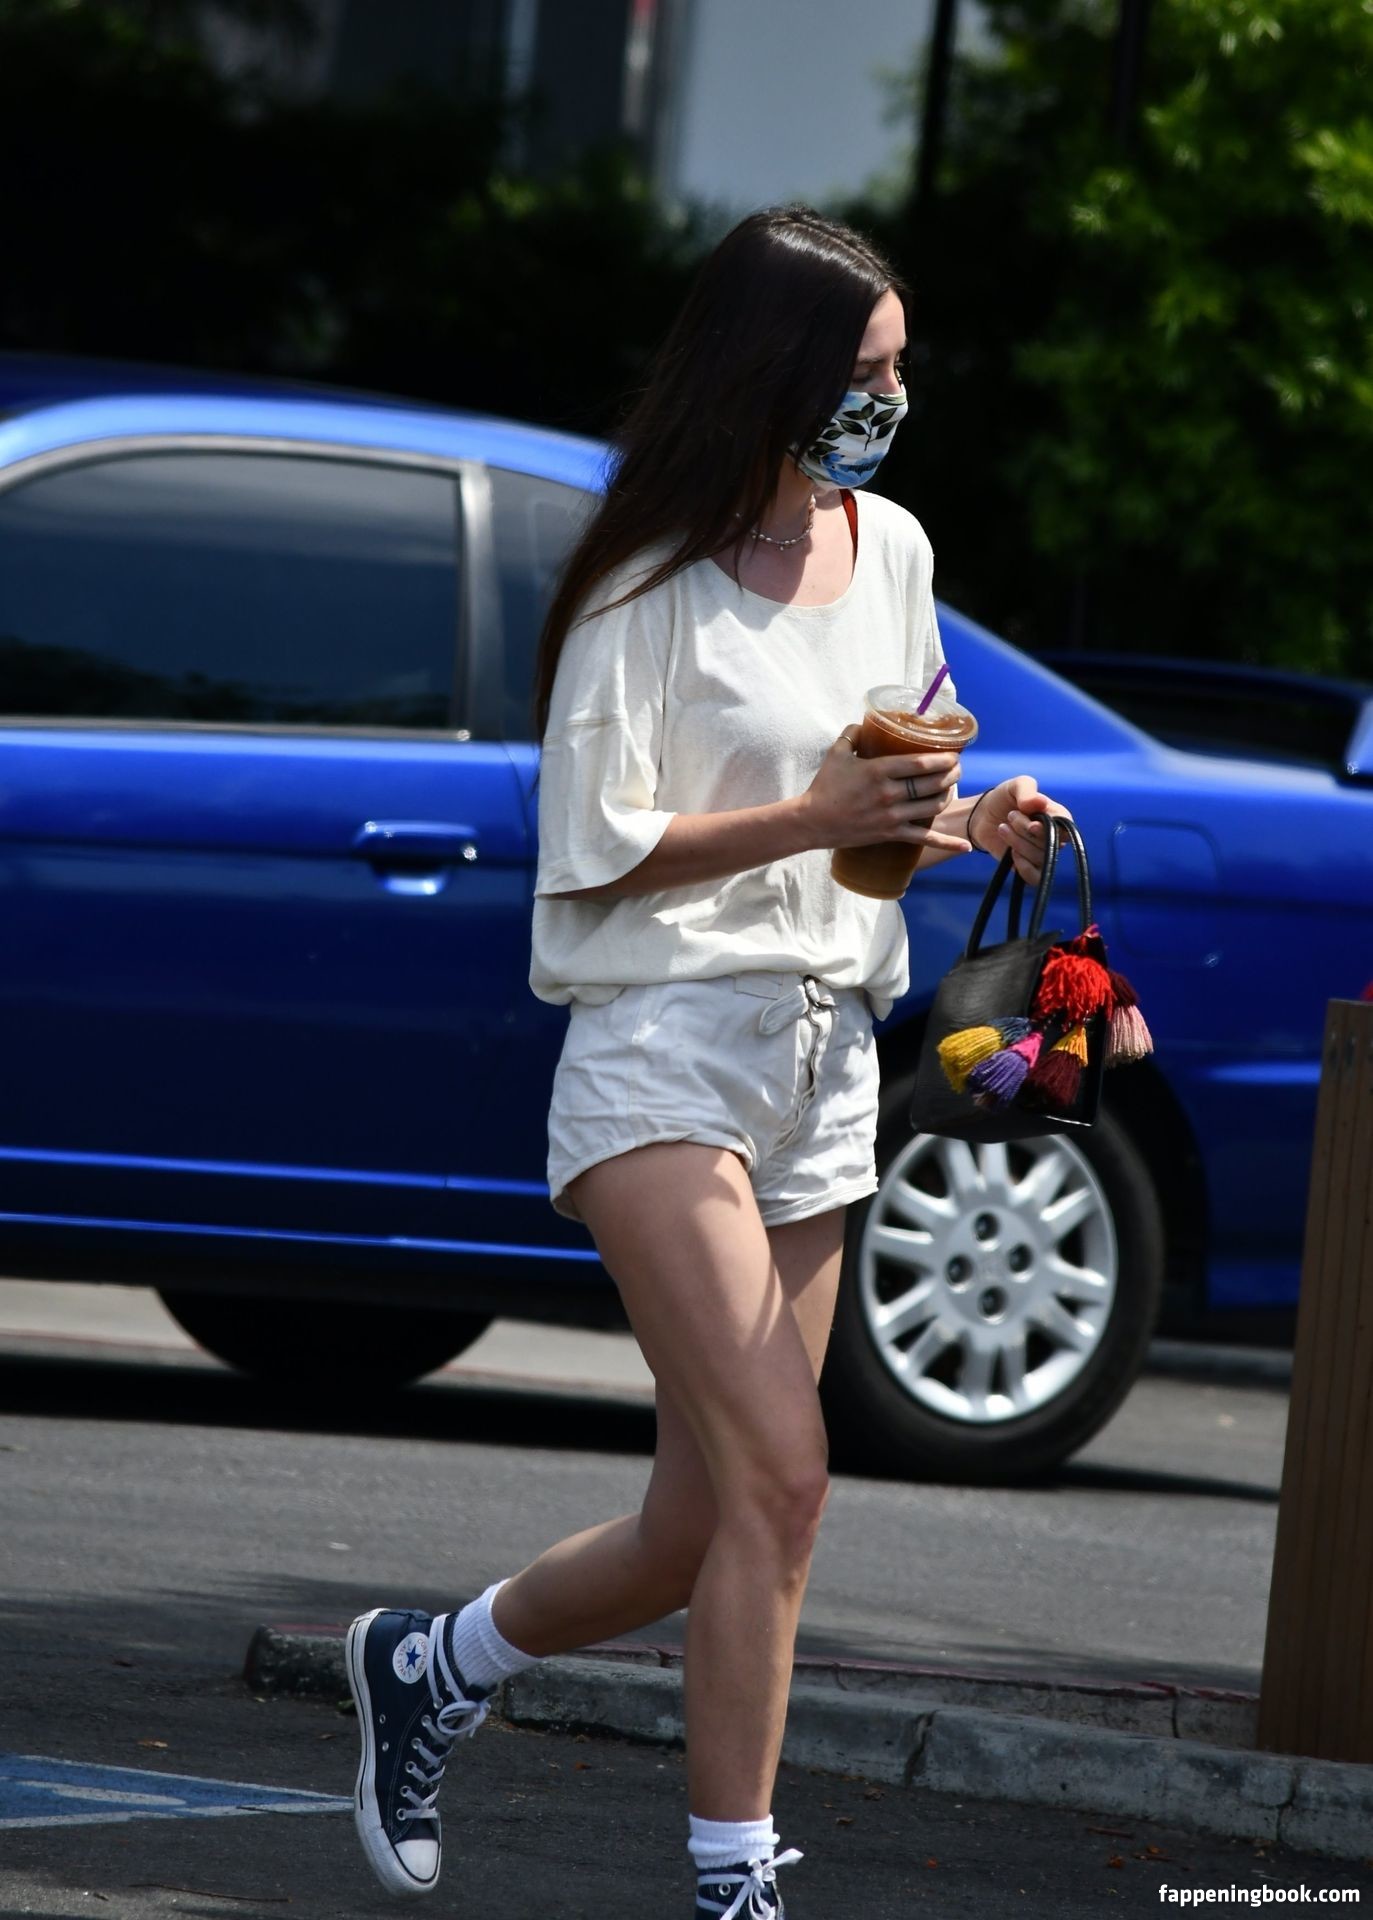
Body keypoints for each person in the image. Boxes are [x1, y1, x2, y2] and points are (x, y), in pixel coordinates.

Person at [345, 204, 1070, 1918]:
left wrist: (964, 818)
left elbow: (868, 816)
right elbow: (592, 849)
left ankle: (432, 1667)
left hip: (825, 1054)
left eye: (899, 366)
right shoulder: (642, 582)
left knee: (712, 1520)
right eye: (865, 369)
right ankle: (735, 1885)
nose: (892, 398)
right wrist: (815, 812)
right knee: (788, 1474)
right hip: (661, 1045)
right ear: (774, 368)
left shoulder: (890, 551)